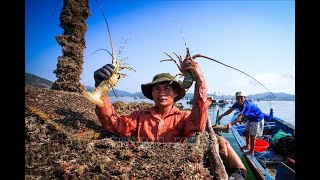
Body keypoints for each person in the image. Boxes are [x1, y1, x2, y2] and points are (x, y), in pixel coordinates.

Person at [93, 57, 212, 143]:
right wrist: (100, 86)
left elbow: (198, 125)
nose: (161, 93)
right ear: (151, 93)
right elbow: (113, 124)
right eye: (157, 89)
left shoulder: (184, 117)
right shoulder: (139, 117)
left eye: (167, 89)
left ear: (175, 93)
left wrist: (200, 81)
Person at [217, 91, 264, 156]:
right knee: (246, 131)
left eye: (241, 98)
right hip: (250, 118)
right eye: (238, 98)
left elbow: (240, 118)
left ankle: (251, 151)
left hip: (257, 119)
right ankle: (247, 146)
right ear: (236, 99)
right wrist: (221, 115)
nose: (240, 100)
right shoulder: (237, 103)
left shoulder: (247, 105)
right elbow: (230, 110)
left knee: (252, 136)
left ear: (245, 98)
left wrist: (231, 124)